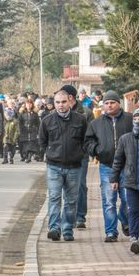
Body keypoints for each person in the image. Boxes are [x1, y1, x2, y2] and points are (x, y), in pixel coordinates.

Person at [39, 88, 87, 242]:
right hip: (54, 166)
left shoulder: (80, 120)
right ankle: (54, 228)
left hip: (74, 166)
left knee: (71, 200)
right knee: (54, 197)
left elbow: (85, 141)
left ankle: (67, 229)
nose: (60, 105)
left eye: (63, 102)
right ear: (54, 103)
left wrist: (80, 153)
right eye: (57, 102)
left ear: (70, 101)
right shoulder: (47, 120)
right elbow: (42, 141)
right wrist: (51, 152)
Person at [85, 90, 133, 243]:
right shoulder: (95, 123)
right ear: (103, 105)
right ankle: (111, 232)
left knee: (127, 198)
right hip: (107, 166)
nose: (109, 105)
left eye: (112, 102)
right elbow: (88, 142)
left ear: (119, 103)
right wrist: (97, 150)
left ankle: (124, 220)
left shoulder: (129, 119)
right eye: (106, 103)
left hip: (126, 165)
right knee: (108, 201)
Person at [111, 106, 139, 254]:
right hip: (130, 181)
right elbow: (118, 160)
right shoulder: (125, 139)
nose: (137, 122)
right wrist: (114, 178)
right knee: (132, 210)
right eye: (135, 119)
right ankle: (134, 238)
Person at [60, 84, 90, 229]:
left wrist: (85, 150)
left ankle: (80, 216)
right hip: (62, 156)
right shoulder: (58, 111)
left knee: (80, 185)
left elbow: (90, 135)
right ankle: (67, 217)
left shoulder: (85, 112)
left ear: (70, 97)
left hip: (80, 156)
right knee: (65, 187)